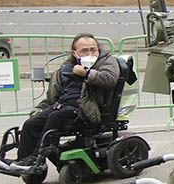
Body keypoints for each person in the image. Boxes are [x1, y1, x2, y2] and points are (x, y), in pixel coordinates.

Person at [10, 33, 119, 172]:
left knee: (55, 118)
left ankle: (37, 158)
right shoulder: (66, 68)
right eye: (84, 51)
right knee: (32, 123)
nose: (90, 53)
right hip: (62, 106)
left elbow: (110, 79)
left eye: (93, 49)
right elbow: (52, 97)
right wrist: (39, 108)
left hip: (87, 109)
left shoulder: (106, 61)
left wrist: (86, 74)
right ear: (75, 53)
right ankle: (23, 161)